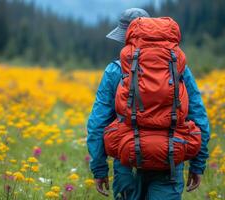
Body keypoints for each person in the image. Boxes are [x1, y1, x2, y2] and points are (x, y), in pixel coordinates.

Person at [86, 8, 210, 200]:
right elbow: (199, 117)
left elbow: (97, 124)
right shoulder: (178, 69)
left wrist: (99, 169)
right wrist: (198, 164)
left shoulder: (114, 71)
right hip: (169, 157)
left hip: (128, 160)